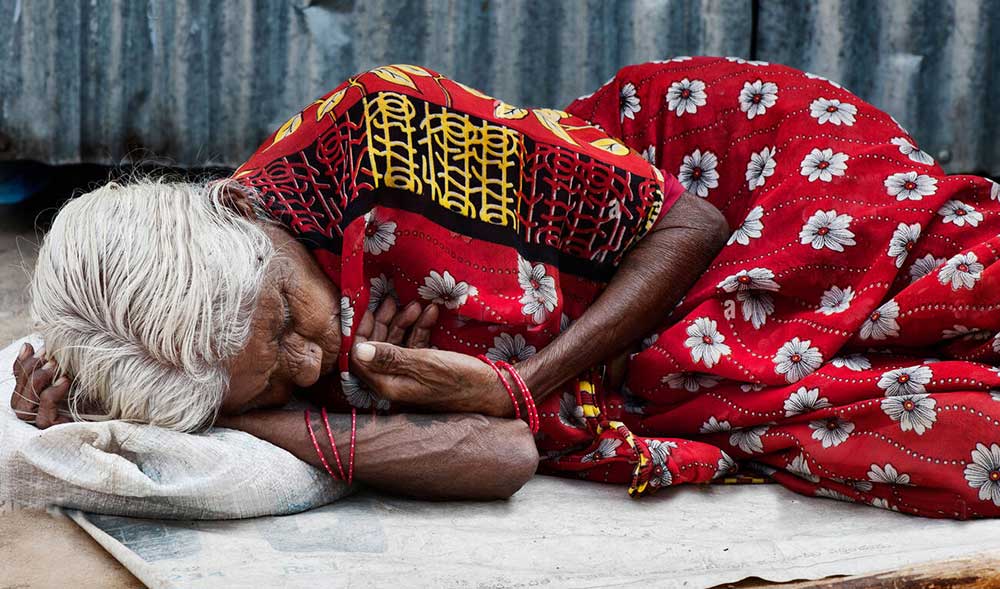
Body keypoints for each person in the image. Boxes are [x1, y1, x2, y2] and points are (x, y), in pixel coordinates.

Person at [12, 58, 1000, 518]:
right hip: (634, 318)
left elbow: (684, 226)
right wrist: (208, 422)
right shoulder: (225, 350)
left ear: (243, 221)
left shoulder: (391, 128)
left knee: (933, 291)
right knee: (810, 409)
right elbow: (496, 455)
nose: (313, 363)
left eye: (285, 323)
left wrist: (529, 380)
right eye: (267, 384)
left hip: (718, 174)